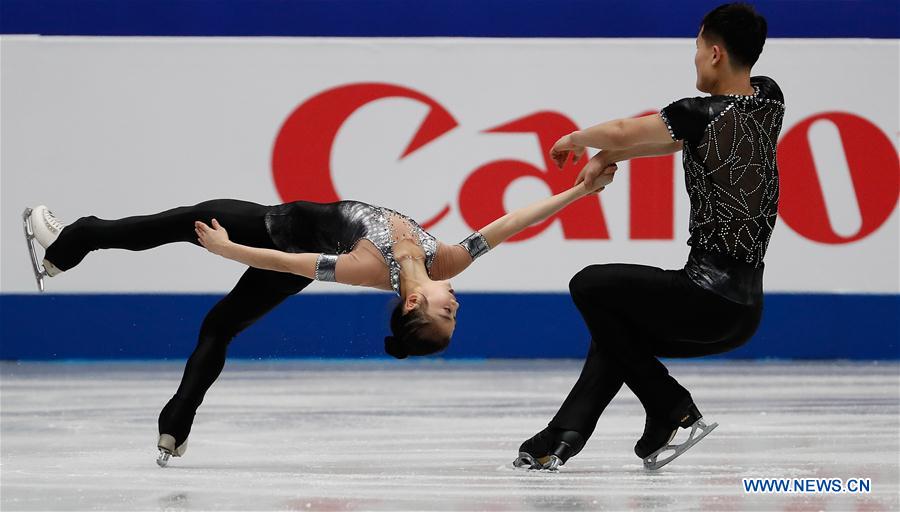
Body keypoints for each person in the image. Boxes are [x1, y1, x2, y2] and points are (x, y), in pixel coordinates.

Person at [22, 165, 616, 467]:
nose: (455, 305)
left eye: (445, 315)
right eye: (453, 316)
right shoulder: (446, 257)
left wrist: (230, 250)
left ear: (412, 303)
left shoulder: (367, 268)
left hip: (270, 230)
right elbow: (513, 223)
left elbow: (293, 261)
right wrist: (578, 194)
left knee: (171, 225)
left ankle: (67, 244)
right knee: (219, 326)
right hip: (279, 251)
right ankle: (175, 424)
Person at [514, 2, 784, 471]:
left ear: (716, 53)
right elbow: (671, 140)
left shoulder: (697, 112)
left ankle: (670, 403)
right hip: (744, 310)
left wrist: (576, 140)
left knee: (590, 285)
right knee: (618, 330)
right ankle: (566, 434)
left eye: (698, 48)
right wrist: (606, 155)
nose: (695, 58)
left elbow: (628, 129)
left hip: (703, 296)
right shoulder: (770, 99)